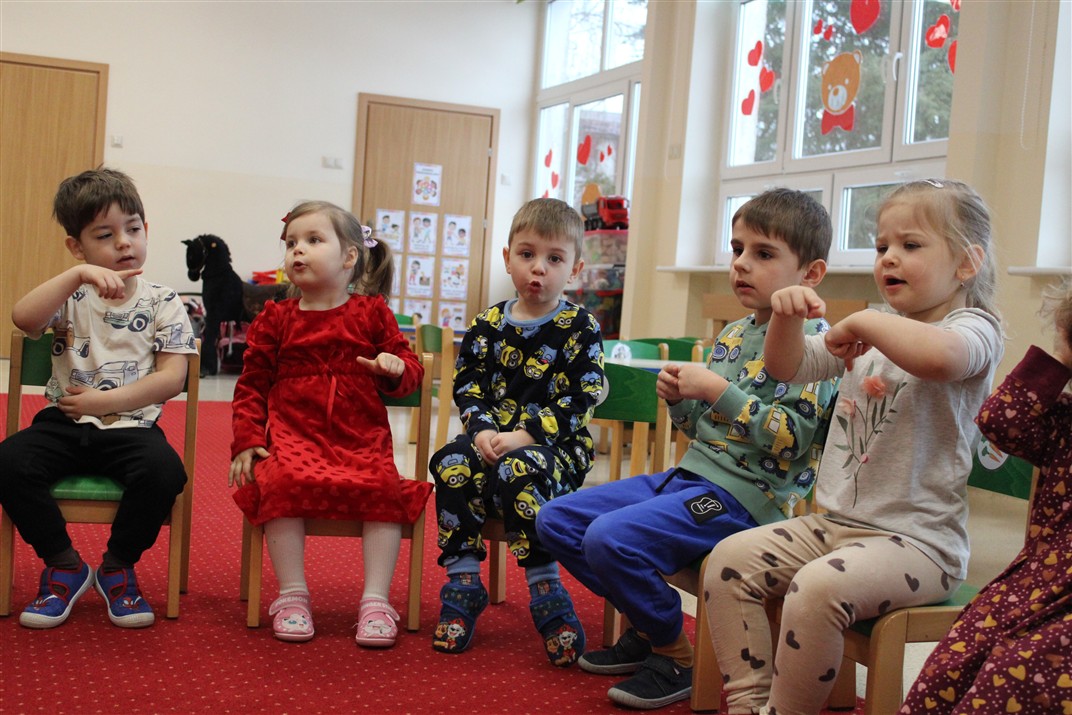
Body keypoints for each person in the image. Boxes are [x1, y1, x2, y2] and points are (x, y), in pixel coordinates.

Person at [704, 179, 1005, 715]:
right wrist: (787, 318)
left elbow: (942, 358)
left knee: (816, 589)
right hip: (836, 525)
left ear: (966, 263)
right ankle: (750, 702)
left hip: (920, 545)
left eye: (910, 245)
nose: (889, 257)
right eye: (882, 245)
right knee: (727, 560)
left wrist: (866, 320)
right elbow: (787, 367)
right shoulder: (876, 330)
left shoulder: (975, 328)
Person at [536, 188, 838, 709]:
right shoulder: (734, 335)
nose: (741, 264)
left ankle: (674, 654)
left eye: (763, 253)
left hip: (744, 503)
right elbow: (703, 431)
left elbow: (791, 442)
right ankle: (652, 627)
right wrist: (680, 402)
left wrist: (718, 390)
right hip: (690, 480)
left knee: (610, 538)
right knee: (556, 520)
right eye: (737, 249)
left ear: (810, 273)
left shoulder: (818, 344)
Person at [0, 167, 198, 629]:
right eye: (105, 235)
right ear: (77, 246)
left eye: (133, 229)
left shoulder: (163, 301)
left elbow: (172, 378)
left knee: (164, 472)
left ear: (146, 230)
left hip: (132, 428)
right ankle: (64, 564)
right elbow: (24, 319)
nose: (124, 243)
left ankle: (117, 566)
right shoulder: (71, 295)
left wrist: (103, 403)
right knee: (8, 462)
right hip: (63, 425)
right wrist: (75, 277)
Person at [229, 200, 430, 647]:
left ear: (349, 256)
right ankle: (292, 595)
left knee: (383, 487)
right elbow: (251, 385)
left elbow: (409, 368)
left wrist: (394, 367)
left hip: (360, 436)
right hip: (294, 434)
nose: (297, 250)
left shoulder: (372, 312)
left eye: (313, 240)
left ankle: (376, 601)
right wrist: (246, 439)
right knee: (279, 481)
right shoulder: (275, 318)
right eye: (291, 243)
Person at [429, 198, 604, 666]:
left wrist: (526, 435)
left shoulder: (581, 327)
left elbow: (583, 398)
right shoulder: (487, 325)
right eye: (527, 254)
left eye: (554, 258)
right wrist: (481, 430)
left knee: (519, 468)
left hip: (555, 452)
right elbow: (467, 387)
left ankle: (545, 586)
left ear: (575, 269)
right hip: (491, 442)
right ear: (508, 258)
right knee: (449, 461)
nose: (538, 268)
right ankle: (464, 581)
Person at [901, 279, 1072, 713]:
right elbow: (1001, 423)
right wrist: (1060, 357)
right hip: (1037, 581)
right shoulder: (1067, 421)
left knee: (1018, 671)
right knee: (951, 663)